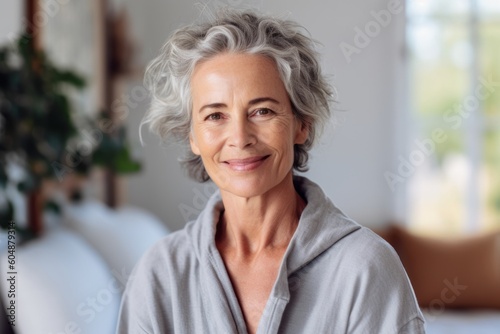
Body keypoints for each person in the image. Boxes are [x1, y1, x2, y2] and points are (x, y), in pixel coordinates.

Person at [117, 9, 425, 334]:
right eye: (214, 116)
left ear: (301, 124)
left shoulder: (366, 269)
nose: (239, 138)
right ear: (192, 136)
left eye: (262, 111)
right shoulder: (159, 276)